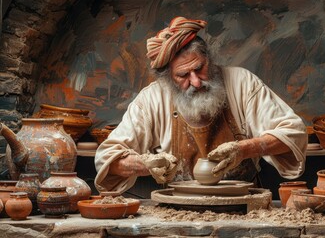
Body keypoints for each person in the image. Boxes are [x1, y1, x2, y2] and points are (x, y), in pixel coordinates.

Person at [94, 16, 308, 193]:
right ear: (167, 77)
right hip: (177, 209)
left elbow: (293, 132)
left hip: (242, 203)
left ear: (209, 59)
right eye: (183, 75)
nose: (196, 82)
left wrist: (243, 149)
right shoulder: (152, 99)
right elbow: (106, 158)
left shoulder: (242, 83)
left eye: (200, 68)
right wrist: (146, 165)